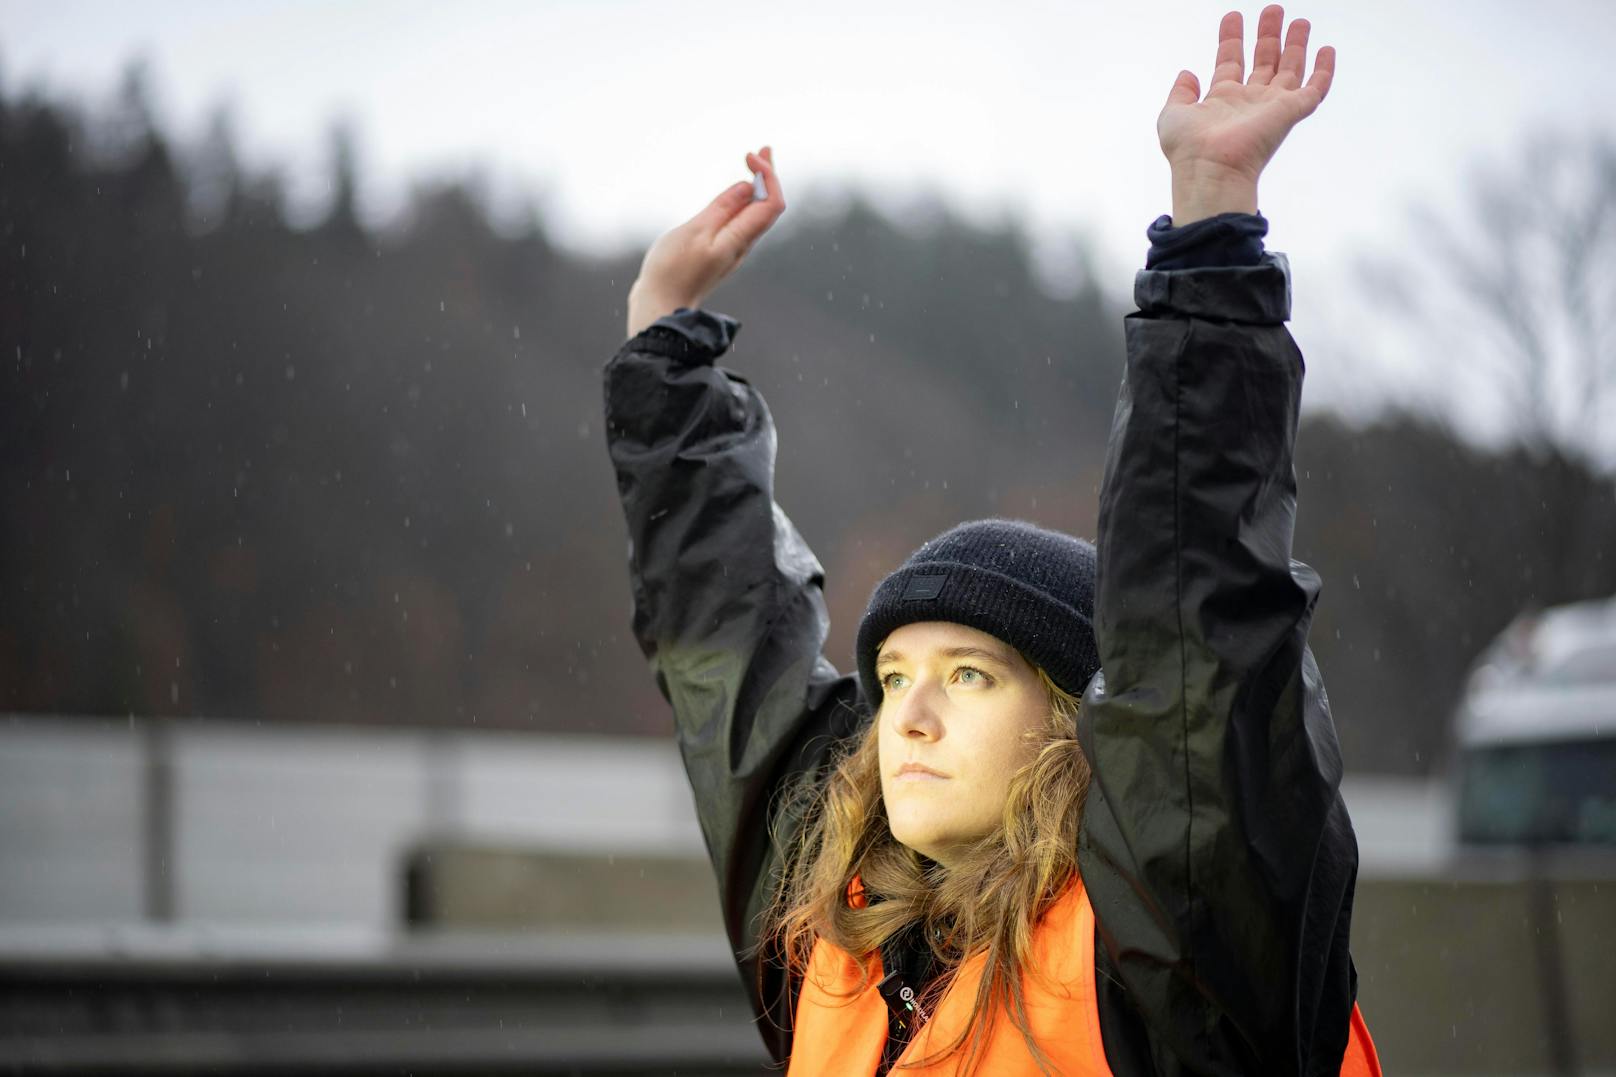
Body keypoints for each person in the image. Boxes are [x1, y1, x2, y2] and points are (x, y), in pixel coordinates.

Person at [603, 6, 1381, 1074]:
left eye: (968, 677)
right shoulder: (830, 929)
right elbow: (728, 661)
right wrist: (660, 337)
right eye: (889, 676)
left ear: (1075, 725)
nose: (905, 719)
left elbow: (1197, 657)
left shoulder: (1170, 960)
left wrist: (1209, 235)